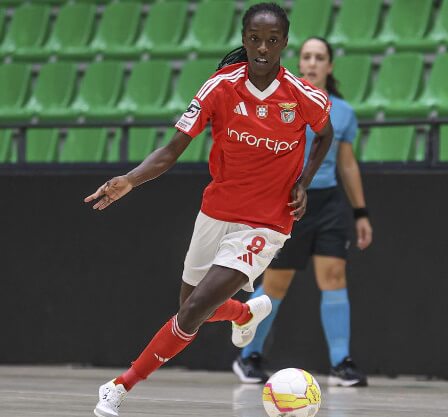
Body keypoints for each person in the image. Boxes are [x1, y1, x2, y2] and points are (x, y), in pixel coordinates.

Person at [86, 4, 333, 416]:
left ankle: (119, 386)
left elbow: (324, 135)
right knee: (193, 306)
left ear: (284, 44)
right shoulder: (220, 87)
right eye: (254, 38)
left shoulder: (302, 96)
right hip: (216, 212)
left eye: (272, 41)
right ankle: (242, 313)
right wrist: (129, 180)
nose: (262, 48)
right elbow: (171, 151)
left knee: (192, 311)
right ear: (244, 38)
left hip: (267, 222)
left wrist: (303, 183)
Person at [233, 36, 372, 388]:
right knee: (275, 284)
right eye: (307, 56)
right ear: (300, 62)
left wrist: (360, 212)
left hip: (327, 204)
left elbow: (348, 164)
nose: (312, 63)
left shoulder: (343, 112)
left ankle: (342, 362)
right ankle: (249, 354)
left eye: (319, 57)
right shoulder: (282, 101)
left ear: (329, 66)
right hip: (288, 203)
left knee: (335, 278)